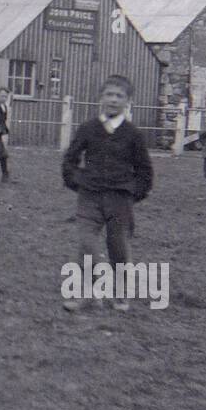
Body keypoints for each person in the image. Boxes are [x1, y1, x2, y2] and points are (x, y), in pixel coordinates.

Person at [61, 74, 153, 312]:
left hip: (119, 199)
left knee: (118, 246)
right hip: (89, 197)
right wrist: (77, 182)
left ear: (127, 101)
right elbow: (69, 160)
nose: (113, 100)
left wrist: (132, 194)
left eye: (119, 96)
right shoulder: (87, 128)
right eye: (109, 95)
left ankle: (121, 292)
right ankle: (89, 293)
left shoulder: (133, 134)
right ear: (101, 98)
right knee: (86, 243)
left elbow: (145, 171)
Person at [0, 86, 11, 183]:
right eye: (2, 96)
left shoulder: (4, 107)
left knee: (3, 155)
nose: (4, 98)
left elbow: (2, 121)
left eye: (6, 97)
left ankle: (5, 175)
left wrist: (4, 130)